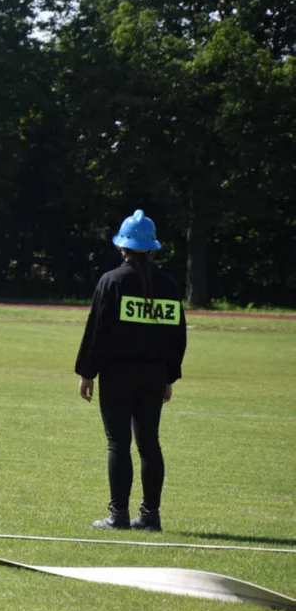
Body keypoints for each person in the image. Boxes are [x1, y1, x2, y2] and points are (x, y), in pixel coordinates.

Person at [75, 210, 187, 532]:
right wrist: (169, 375)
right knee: (149, 443)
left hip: (117, 376)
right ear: (151, 247)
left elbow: (96, 332)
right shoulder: (167, 285)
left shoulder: (111, 282)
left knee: (118, 443)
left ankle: (118, 516)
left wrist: (87, 373)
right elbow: (177, 336)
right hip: (153, 376)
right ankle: (150, 515)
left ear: (122, 247)